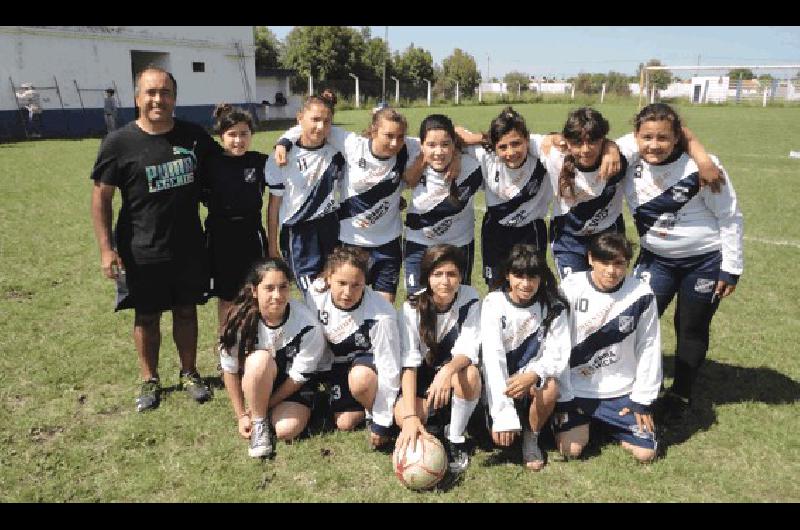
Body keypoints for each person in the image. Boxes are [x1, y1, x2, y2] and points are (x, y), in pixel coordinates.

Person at [90, 66, 220, 412]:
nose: (157, 99)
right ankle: (150, 380)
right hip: (141, 249)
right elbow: (101, 197)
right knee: (146, 316)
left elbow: (224, 168)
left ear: (174, 98)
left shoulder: (194, 138)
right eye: (150, 92)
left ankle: (189, 373)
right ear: (137, 98)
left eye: (164, 93)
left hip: (189, 246)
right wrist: (106, 249)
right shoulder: (118, 142)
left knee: (186, 310)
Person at [620, 103, 744, 424]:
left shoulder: (703, 167)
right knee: (636, 321)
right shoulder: (628, 160)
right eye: (647, 137)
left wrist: (731, 268)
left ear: (677, 137)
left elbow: (729, 216)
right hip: (655, 260)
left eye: (663, 137)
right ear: (636, 136)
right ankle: (637, 384)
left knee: (690, 327)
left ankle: (682, 392)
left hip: (703, 263)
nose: (654, 145)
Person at [545, 107, 724, 280]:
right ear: (567, 142)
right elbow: (525, 140)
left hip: (608, 233)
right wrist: (553, 137)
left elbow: (674, 129)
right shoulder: (554, 156)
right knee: (573, 293)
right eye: (577, 142)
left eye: (593, 141)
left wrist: (703, 160)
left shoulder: (622, 153)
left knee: (611, 289)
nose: (586, 149)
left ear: (603, 138)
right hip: (568, 238)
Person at [455, 107, 621, 289]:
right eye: (502, 147)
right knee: (496, 287)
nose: (510, 152)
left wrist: (610, 148)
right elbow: (450, 132)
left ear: (527, 139)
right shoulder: (485, 154)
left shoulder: (539, 149)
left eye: (516, 144)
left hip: (531, 230)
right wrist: (479, 137)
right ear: (494, 146)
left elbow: (575, 138)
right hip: (495, 232)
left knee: (531, 287)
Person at [273, 105, 423, 303]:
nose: (395, 142)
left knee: (383, 309)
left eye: (400, 136)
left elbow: (441, 135)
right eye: (388, 135)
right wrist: (283, 142)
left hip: (388, 245)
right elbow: (312, 126)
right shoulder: (353, 145)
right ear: (374, 131)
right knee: (347, 304)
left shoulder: (407, 148)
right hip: (351, 243)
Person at [553, 232, 662, 463]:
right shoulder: (571, 288)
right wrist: (563, 394)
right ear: (590, 258)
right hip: (577, 389)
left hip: (620, 391)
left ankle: (603, 424)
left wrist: (643, 400)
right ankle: (587, 423)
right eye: (604, 262)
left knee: (645, 454)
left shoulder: (641, 294)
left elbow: (649, 346)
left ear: (627, 264)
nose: (611, 271)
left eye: (619, 264)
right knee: (570, 450)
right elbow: (557, 344)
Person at [218, 258, 327, 459]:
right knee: (260, 360)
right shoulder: (239, 321)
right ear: (254, 290)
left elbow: (297, 378)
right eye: (269, 288)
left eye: (283, 287)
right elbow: (230, 370)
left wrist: (264, 404)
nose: (277, 296)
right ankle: (260, 426)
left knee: (287, 430)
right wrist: (242, 415)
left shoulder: (308, 325)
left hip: (290, 386)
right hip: (259, 375)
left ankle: (263, 409)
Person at [394, 244, 482, 478]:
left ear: (461, 276)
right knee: (402, 416)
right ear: (427, 277)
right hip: (424, 383)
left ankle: (455, 437)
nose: (445, 281)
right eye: (438, 274)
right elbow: (409, 364)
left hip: (453, 379)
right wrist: (411, 417)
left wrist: (447, 372)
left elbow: (469, 348)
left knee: (471, 374)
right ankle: (433, 425)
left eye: (452, 274)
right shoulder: (412, 307)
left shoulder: (471, 299)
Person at [480, 244, 570, 470]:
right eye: (518, 275)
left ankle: (532, 438)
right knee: (498, 440)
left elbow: (558, 353)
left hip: (530, 383)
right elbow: (493, 358)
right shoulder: (493, 303)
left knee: (550, 387)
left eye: (532, 276)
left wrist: (533, 374)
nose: (526, 283)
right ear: (507, 276)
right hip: (501, 386)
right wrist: (503, 414)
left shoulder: (553, 306)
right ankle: (494, 419)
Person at [305, 246, 402, 449]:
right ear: (329, 277)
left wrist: (382, 421)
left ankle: (376, 411)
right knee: (344, 423)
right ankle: (356, 401)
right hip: (338, 364)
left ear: (365, 283)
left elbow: (389, 367)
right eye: (341, 283)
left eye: (356, 285)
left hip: (367, 367)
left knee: (360, 380)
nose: (348, 292)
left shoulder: (381, 315)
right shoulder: (314, 294)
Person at [199, 104, 268, 334]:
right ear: (221, 136)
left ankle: (253, 344)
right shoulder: (210, 164)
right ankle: (226, 347)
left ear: (251, 134)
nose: (238, 140)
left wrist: (285, 145)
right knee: (227, 297)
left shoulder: (260, 162)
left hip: (252, 235)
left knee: (254, 293)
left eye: (244, 134)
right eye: (232, 134)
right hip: (221, 237)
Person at [265, 95, 345, 293]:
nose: (320, 127)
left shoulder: (338, 152)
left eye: (326, 121)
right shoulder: (281, 158)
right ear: (300, 118)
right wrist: (272, 245)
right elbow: (274, 205)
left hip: (330, 226)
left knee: (333, 287)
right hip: (298, 233)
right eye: (315, 119)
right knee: (312, 295)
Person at [403, 114, 482, 294]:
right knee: (417, 302)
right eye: (431, 145)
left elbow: (497, 139)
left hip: (459, 245)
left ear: (454, 144)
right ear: (420, 145)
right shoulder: (410, 155)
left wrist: (459, 153)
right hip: (419, 244)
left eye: (445, 144)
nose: (438, 152)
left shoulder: (473, 166)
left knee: (457, 302)